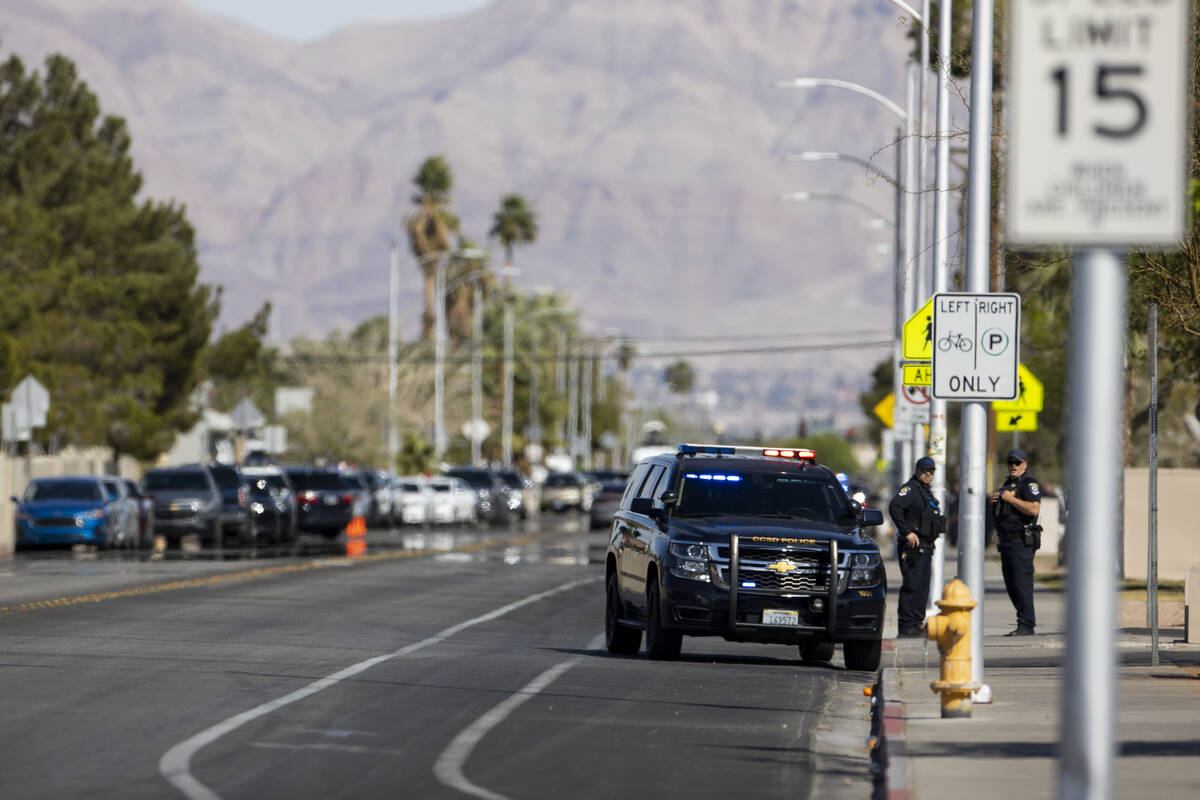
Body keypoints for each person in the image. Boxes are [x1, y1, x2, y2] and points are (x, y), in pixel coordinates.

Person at [888, 456, 944, 637]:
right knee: (913, 586)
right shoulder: (911, 489)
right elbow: (895, 506)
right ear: (916, 470)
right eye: (924, 470)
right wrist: (906, 532)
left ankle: (916, 623)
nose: (927, 474)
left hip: (926, 546)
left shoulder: (925, 491)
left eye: (931, 471)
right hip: (913, 546)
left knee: (922, 586)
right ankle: (906, 626)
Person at [990, 448, 1042, 636]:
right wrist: (996, 501)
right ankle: (1023, 620)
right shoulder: (1007, 485)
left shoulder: (1029, 484)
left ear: (1024, 465)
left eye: (1017, 462)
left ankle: (1026, 624)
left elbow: (1034, 509)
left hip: (1021, 541)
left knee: (1022, 584)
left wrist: (1010, 499)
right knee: (1011, 585)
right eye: (1010, 462)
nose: (1013, 466)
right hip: (1006, 543)